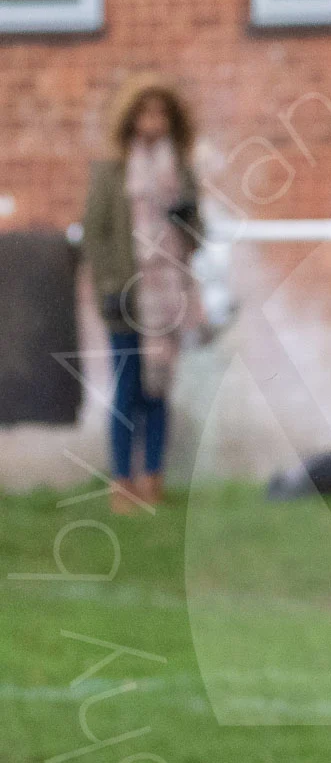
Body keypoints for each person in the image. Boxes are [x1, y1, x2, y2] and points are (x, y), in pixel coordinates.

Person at [82, 75, 206, 513]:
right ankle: (123, 483)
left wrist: (186, 213)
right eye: (145, 112)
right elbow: (96, 236)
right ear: (131, 119)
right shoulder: (112, 172)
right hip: (125, 298)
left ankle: (153, 478)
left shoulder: (182, 172)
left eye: (161, 113)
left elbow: (197, 238)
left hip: (167, 301)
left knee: (157, 391)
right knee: (126, 390)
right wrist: (109, 289)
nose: (153, 122)